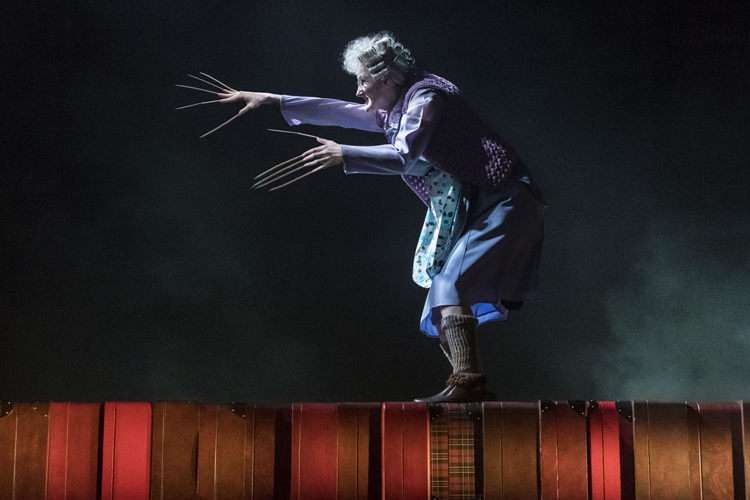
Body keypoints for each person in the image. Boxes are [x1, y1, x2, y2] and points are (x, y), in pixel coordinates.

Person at [216, 32, 545, 403]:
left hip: (505, 198)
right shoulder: (398, 104)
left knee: (449, 286)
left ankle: (469, 384)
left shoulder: (426, 98)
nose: (358, 91)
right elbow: (341, 112)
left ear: (386, 79)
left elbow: (403, 155)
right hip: (485, 201)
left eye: (362, 81)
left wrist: (345, 153)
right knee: (440, 303)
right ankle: (469, 383)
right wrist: (272, 100)